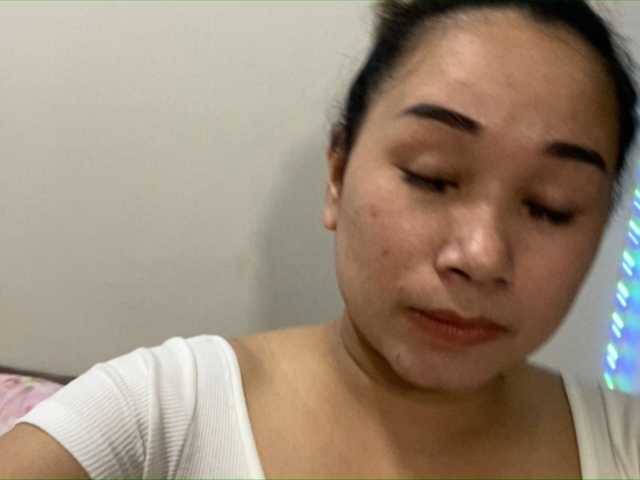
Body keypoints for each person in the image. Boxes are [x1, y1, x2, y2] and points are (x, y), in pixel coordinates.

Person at [1, 0, 639, 477]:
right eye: (433, 176)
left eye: (551, 208)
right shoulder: (163, 413)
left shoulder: (625, 445)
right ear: (337, 174)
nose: (480, 255)